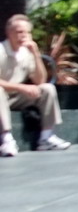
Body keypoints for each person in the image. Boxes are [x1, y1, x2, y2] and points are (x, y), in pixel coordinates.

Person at [1, 15, 72, 156]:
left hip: (16, 98)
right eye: (20, 32)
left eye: (27, 32)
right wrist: (22, 87)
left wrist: (35, 53)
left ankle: (46, 137)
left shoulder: (26, 53)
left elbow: (40, 80)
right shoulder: (1, 50)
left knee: (47, 88)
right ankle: (6, 140)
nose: (24, 36)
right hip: (2, 96)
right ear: (9, 33)